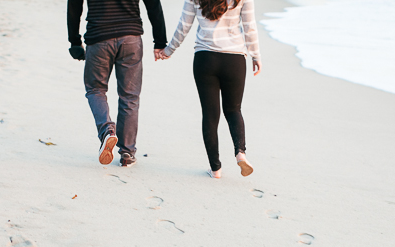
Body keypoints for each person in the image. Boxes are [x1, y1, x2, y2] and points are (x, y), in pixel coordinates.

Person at [158, 0, 261, 178]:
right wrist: (255, 55)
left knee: (210, 115)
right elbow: (249, 26)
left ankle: (215, 169)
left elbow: (184, 25)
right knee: (234, 110)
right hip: (234, 59)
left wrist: (168, 50)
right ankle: (240, 153)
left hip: (205, 59)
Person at [67, 0, 167, 167]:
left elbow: (74, 6)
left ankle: (107, 129)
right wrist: (160, 41)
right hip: (130, 38)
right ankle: (127, 152)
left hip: (98, 38)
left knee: (95, 89)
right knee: (130, 96)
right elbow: (153, 5)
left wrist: (75, 41)